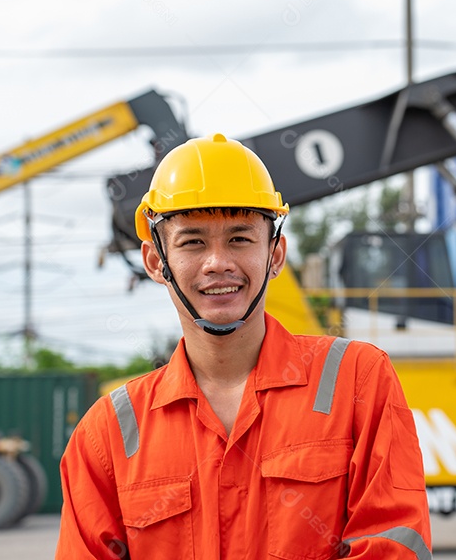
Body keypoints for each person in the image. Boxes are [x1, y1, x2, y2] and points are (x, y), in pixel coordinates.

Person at [56, 134, 431, 559]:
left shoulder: (357, 381)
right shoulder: (108, 433)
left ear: (275, 255)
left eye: (239, 238)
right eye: (192, 241)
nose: (218, 262)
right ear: (155, 262)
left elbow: (392, 546)